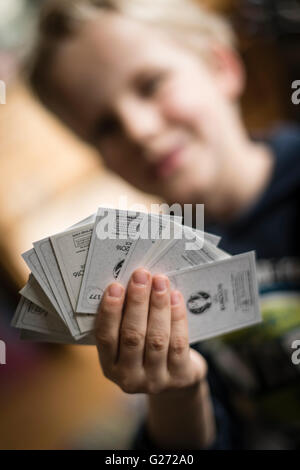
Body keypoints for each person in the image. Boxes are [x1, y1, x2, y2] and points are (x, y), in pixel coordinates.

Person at [26, 0, 300, 449]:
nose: (137, 129)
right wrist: (175, 390)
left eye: (150, 85)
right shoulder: (148, 275)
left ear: (220, 66)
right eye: (105, 127)